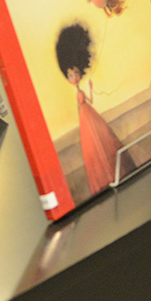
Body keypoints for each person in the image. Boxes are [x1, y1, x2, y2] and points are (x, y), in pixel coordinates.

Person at [55, 23, 122, 195]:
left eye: (76, 73)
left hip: (89, 114)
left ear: (80, 72)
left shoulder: (82, 92)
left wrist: (91, 89)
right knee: (93, 144)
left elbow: (90, 100)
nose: (74, 77)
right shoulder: (78, 93)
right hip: (85, 117)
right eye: (70, 75)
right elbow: (81, 105)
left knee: (102, 138)